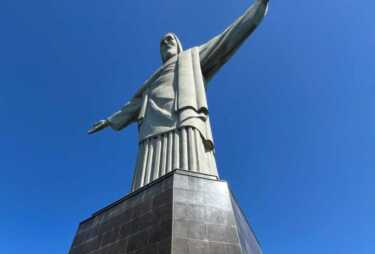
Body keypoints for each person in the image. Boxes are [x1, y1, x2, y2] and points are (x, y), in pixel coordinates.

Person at [88, 1, 269, 192]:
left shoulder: (192, 58)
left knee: (191, 166)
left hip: (183, 116)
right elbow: (134, 105)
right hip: (151, 126)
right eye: (161, 43)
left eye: (169, 40)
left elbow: (227, 39)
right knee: (147, 178)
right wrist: (109, 121)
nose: (165, 43)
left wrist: (258, 8)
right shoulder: (151, 81)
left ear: (178, 44)